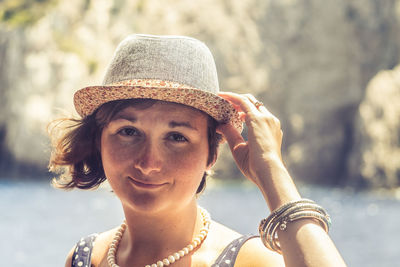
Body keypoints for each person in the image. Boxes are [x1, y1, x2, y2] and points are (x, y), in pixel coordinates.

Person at [49, 34, 346, 267]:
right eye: (129, 132)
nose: (149, 162)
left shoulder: (252, 262)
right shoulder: (84, 259)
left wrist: (271, 169)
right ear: (99, 140)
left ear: (211, 154)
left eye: (177, 137)